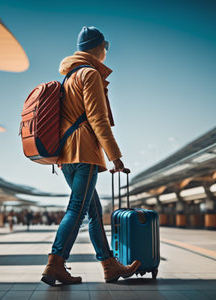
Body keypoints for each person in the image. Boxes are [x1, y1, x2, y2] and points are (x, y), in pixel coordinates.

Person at [41, 26, 140, 286]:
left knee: (94, 213)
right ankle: (55, 264)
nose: (106, 50)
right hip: (83, 153)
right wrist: (115, 156)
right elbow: (98, 118)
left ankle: (109, 266)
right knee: (77, 209)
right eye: (105, 46)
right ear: (98, 47)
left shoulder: (69, 76)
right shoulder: (89, 73)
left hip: (65, 156)